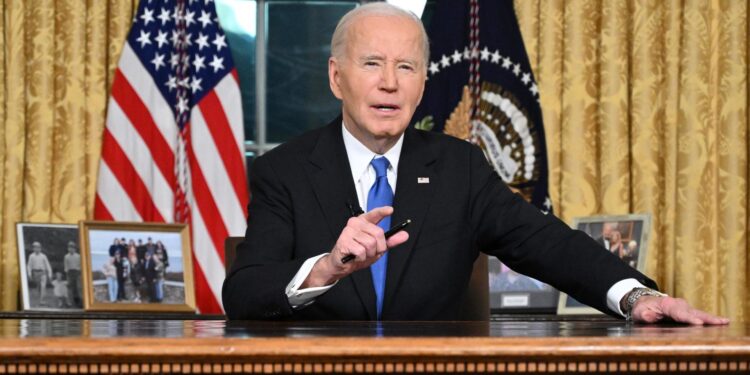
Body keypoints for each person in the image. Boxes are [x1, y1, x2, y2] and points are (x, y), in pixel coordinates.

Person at [223, 3, 728, 325]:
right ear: (337, 78)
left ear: (423, 84)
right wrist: (328, 268)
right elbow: (244, 293)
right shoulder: (284, 171)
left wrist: (635, 296)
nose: (390, 83)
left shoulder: (459, 167)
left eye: (407, 67)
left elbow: (546, 242)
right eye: (372, 64)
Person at [27, 241, 53, 306]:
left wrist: (50, 274)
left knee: (43, 286)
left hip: (43, 272)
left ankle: (42, 301)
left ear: (40, 248)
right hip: (36, 273)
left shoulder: (43, 256)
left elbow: (48, 265)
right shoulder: (31, 256)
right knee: (38, 287)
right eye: (35, 247)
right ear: (33, 248)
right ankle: (40, 299)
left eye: (38, 247)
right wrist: (29, 274)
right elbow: (29, 265)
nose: (37, 249)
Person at [63, 241, 82, 307]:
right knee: (69, 287)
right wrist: (67, 272)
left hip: (76, 272)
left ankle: (77, 301)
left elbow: (80, 265)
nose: (71, 249)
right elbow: (66, 265)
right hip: (69, 272)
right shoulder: (66, 256)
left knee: (76, 287)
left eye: (72, 248)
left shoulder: (78, 256)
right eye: (69, 248)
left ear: (75, 249)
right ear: (68, 248)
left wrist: (79, 271)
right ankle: (69, 302)